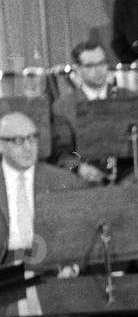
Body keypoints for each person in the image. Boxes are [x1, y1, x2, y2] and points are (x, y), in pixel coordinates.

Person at [1, 111, 85, 264]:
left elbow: (81, 237)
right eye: (19, 141)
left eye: (32, 138)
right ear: (1, 145)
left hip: (51, 267)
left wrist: (73, 267)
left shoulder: (65, 182)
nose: (28, 147)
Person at [50, 41, 138, 183]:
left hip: (127, 172)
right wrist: (79, 168)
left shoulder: (129, 97)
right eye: (90, 66)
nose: (98, 70)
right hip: (85, 176)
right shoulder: (63, 107)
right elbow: (61, 153)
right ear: (78, 69)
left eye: (102, 63)